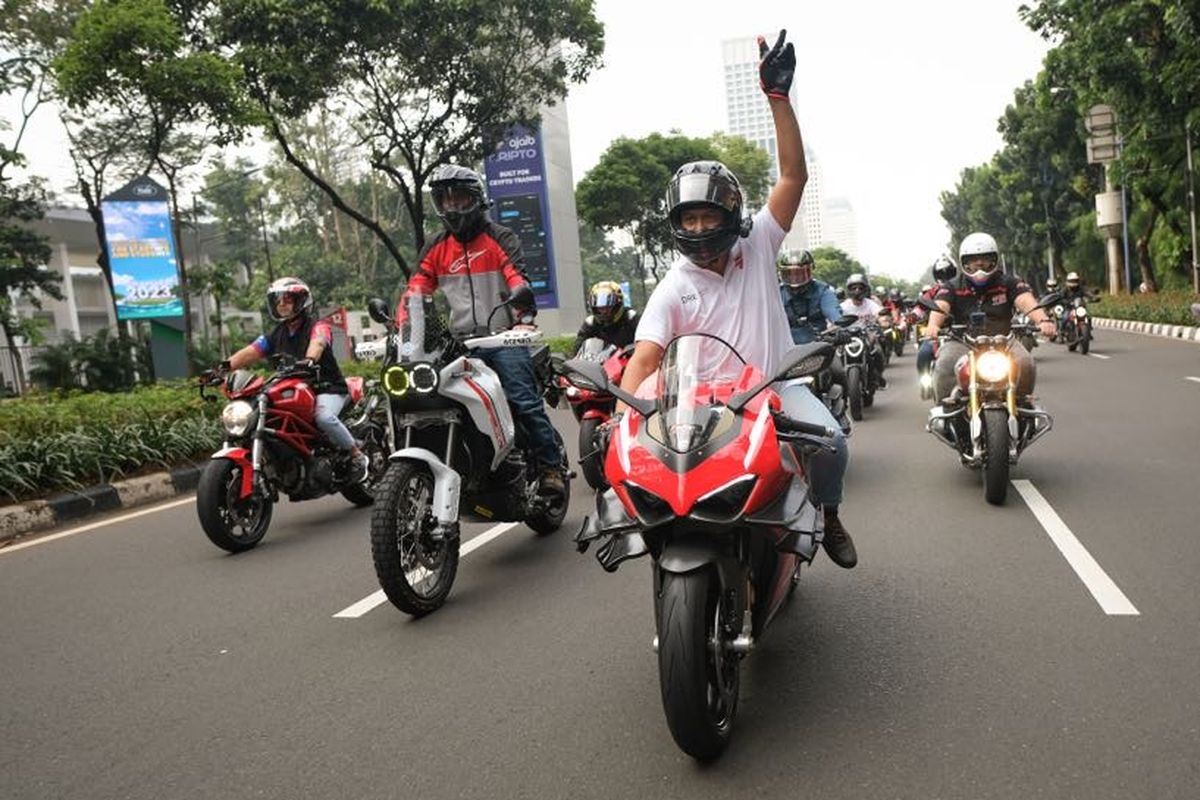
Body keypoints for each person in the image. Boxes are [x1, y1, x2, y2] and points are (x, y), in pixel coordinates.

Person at [616, 30, 856, 569]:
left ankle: (831, 514)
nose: (700, 227)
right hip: (698, 407)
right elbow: (646, 361)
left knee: (835, 444)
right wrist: (620, 416)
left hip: (774, 389)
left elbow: (793, 174)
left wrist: (779, 99)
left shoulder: (759, 243)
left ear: (731, 217)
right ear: (676, 225)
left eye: (709, 216)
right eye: (689, 218)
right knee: (655, 491)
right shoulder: (673, 286)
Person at [395, 164, 566, 496]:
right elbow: (414, 292)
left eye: (458, 198)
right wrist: (402, 328)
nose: (452, 207)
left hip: (502, 337)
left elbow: (517, 278)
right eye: (444, 200)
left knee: (523, 399)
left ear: (475, 199)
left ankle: (550, 467)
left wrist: (522, 315)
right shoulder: (435, 248)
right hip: (458, 343)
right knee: (426, 397)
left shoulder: (500, 238)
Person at [220, 277, 367, 482]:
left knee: (322, 417)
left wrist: (309, 360)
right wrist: (222, 368)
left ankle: (355, 454)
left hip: (326, 388)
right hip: (293, 387)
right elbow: (250, 352)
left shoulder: (318, 326)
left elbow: (318, 343)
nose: (282, 304)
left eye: (287, 299)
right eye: (278, 300)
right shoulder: (276, 334)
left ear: (301, 301)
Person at [926, 232, 1056, 403]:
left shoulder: (1008, 282)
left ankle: (1023, 404)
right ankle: (945, 409)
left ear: (994, 260)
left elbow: (1025, 300)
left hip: (1004, 341)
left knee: (1026, 362)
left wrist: (1043, 320)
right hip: (962, 341)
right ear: (964, 262)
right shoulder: (952, 286)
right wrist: (933, 325)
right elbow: (941, 306)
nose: (979, 263)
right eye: (973, 259)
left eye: (985, 258)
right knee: (944, 365)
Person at [778, 248, 842, 344]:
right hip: (784, 349)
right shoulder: (777, 294)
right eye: (790, 274)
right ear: (782, 274)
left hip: (818, 348)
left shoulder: (822, 291)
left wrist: (841, 327)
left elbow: (834, 313)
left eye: (799, 274)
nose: (795, 279)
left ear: (810, 271)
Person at [840, 273, 887, 388]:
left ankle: (878, 376)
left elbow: (879, 314)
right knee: (835, 356)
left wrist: (882, 321)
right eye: (854, 287)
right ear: (849, 289)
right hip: (847, 337)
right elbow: (834, 320)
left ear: (865, 289)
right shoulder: (843, 306)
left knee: (878, 352)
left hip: (866, 335)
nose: (857, 290)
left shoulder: (871, 304)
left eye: (860, 287)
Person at [916, 255, 957, 378]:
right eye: (941, 275)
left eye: (949, 274)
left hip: (959, 333)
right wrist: (911, 316)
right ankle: (925, 379)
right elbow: (919, 307)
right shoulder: (932, 292)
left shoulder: (962, 288)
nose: (945, 278)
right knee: (924, 353)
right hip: (936, 334)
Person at [572, 280, 639, 354]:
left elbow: (646, 344)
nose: (604, 311)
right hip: (597, 364)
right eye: (600, 308)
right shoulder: (590, 323)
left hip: (629, 363)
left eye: (607, 307)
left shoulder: (630, 318)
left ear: (617, 305)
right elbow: (577, 350)